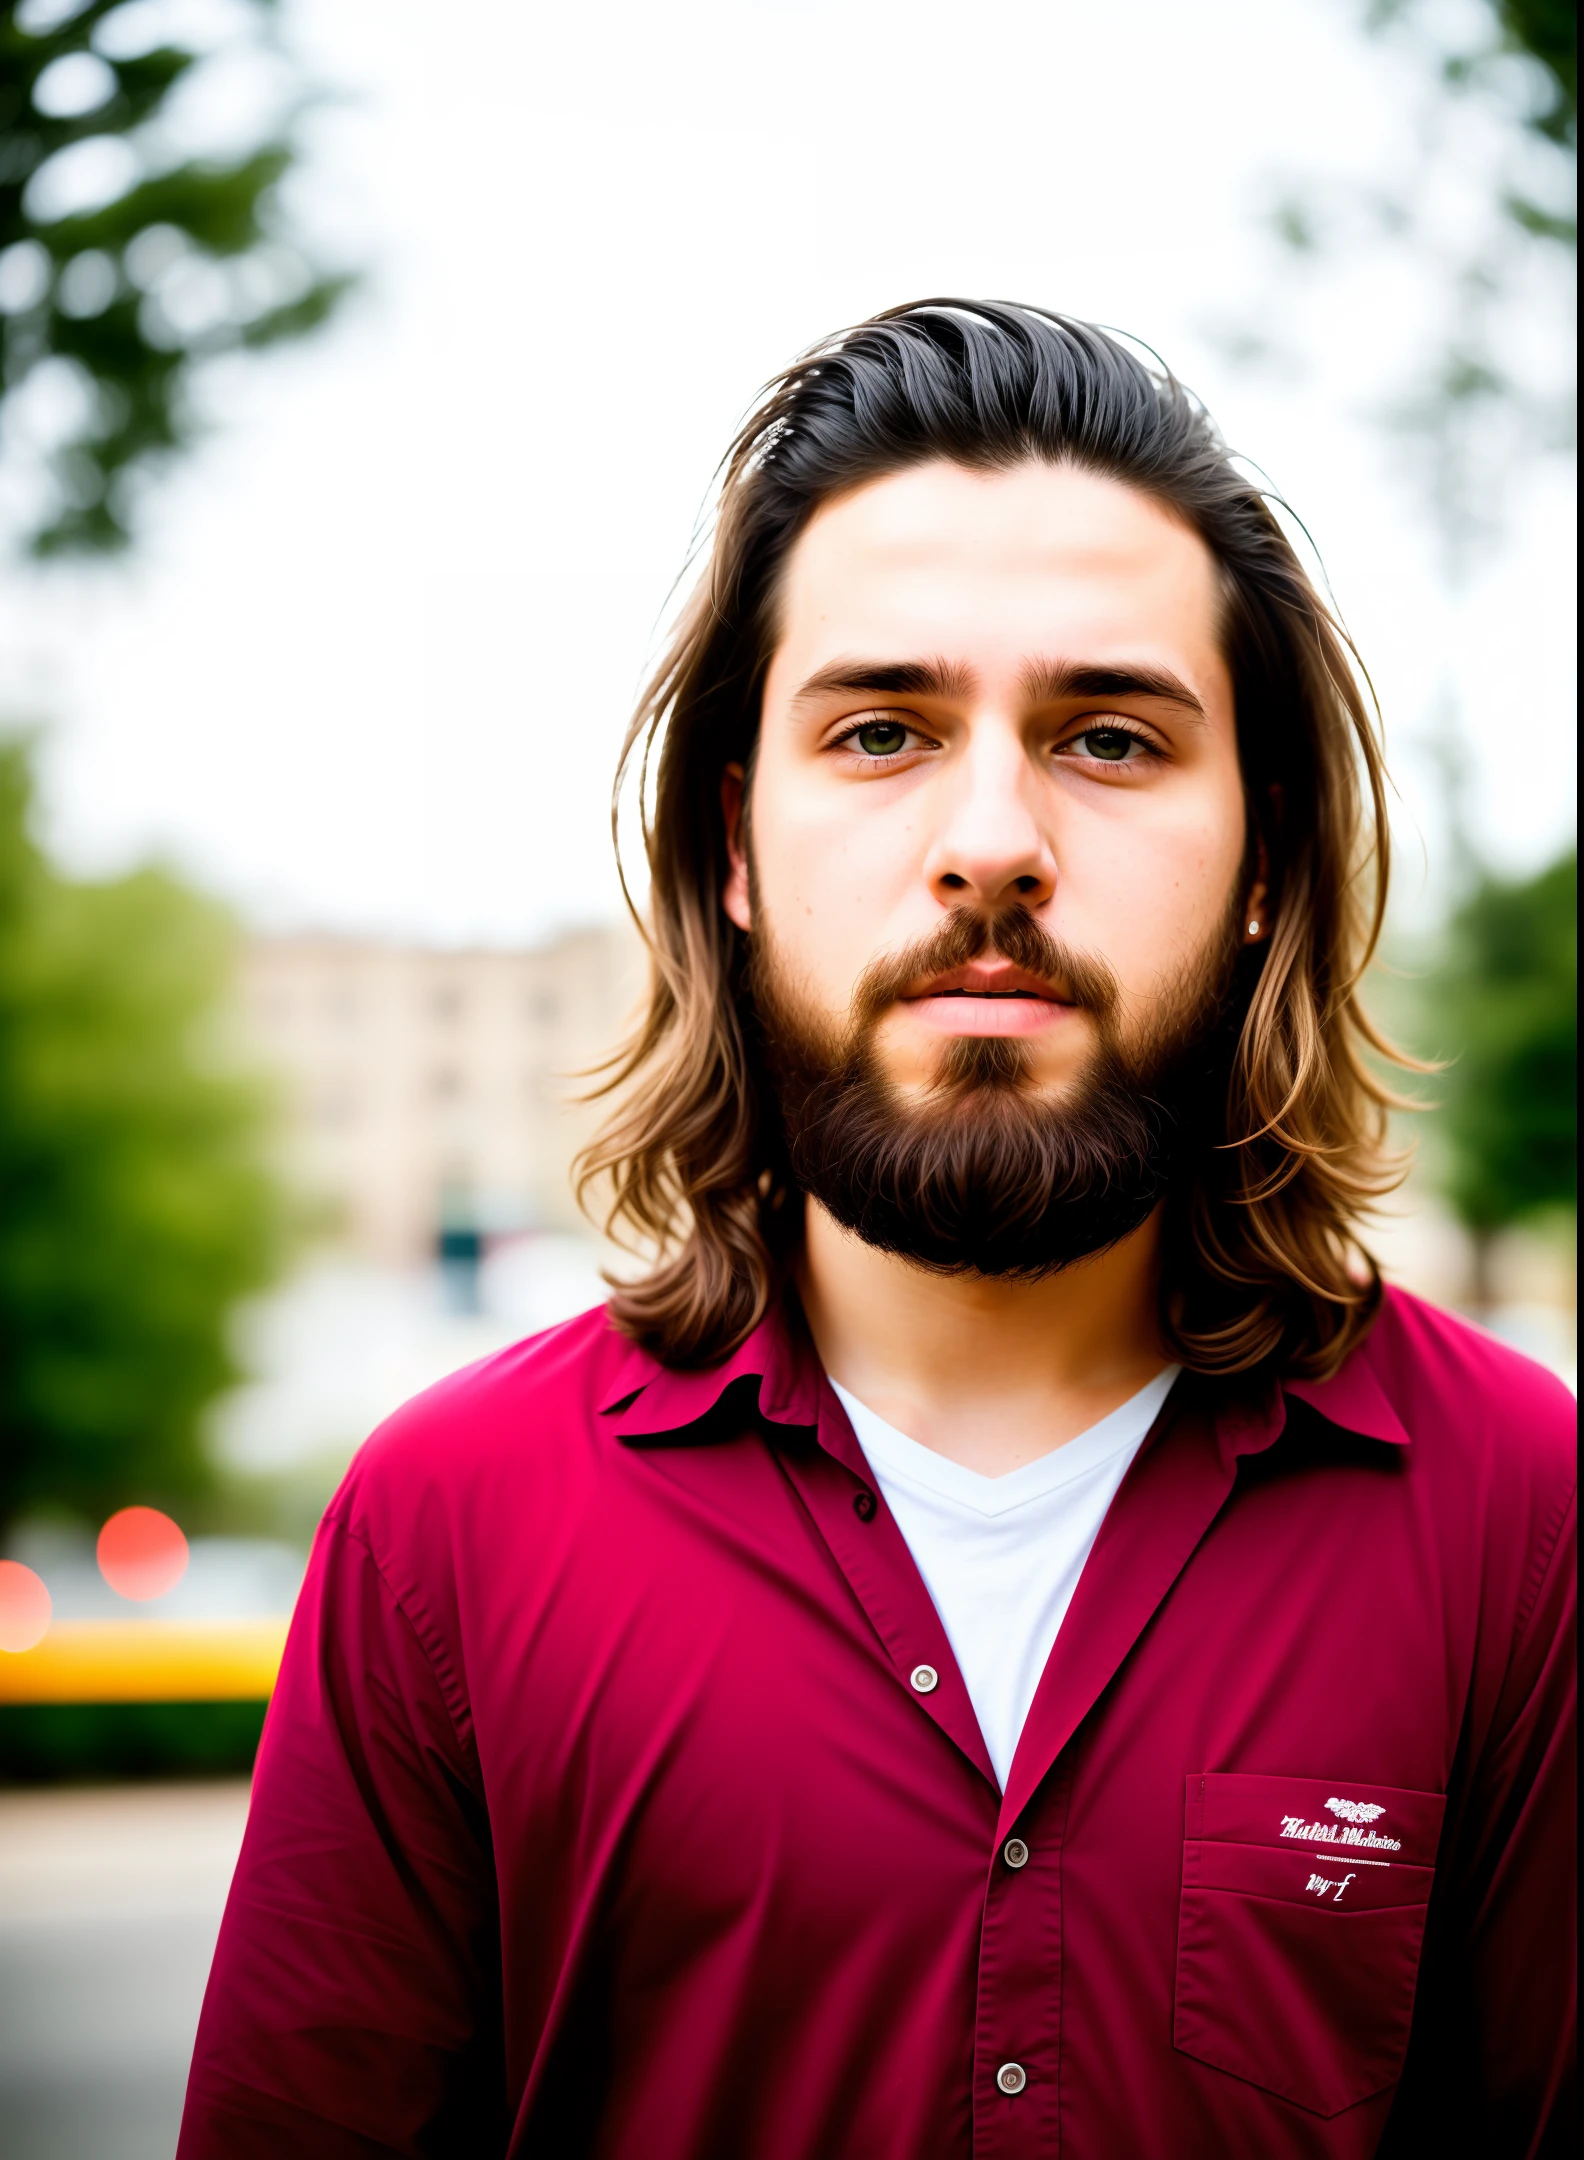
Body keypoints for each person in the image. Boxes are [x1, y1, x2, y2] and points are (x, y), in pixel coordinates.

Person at [178, 303, 1575, 2159]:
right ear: (738, 847)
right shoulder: (448, 1525)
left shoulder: (1523, 1517)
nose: (992, 839)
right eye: (883, 729)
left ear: (1267, 862)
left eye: (1109, 737)